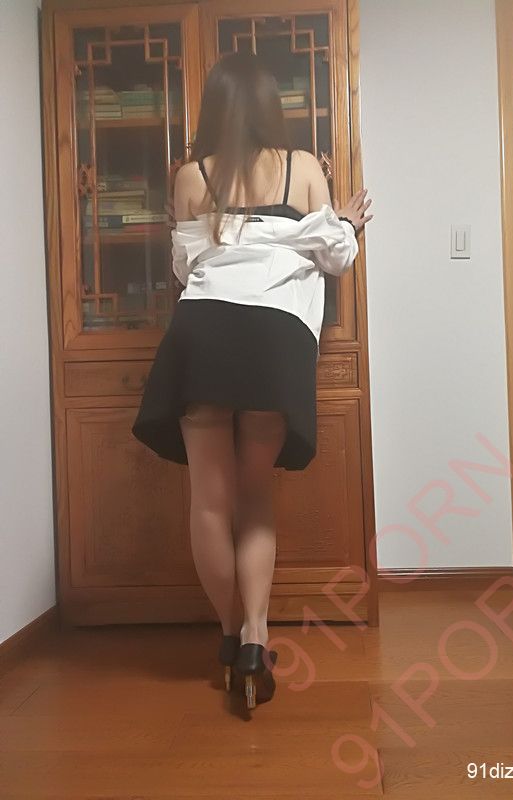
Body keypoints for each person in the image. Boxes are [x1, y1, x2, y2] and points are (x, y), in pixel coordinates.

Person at [131, 51, 373, 710]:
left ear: (212, 109)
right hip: (274, 339)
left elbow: (185, 268)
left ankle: (230, 633)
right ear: (273, 107)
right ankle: (257, 639)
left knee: (209, 502)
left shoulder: (189, 177)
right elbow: (337, 258)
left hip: (202, 333)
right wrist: (346, 224)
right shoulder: (304, 168)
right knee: (255, 494)